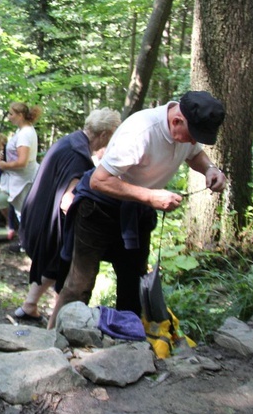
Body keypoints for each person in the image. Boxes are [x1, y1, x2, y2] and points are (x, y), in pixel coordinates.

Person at [48, 91, 227, 329]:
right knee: (80, 282)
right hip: (98, 209)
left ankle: (128, 342)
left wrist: (209, 169)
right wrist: (151, 196)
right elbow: (99, 181)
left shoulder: (187, 132)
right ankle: (56, 341)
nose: (194, 141)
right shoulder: (141, 131)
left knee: (133, 281)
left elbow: (195, 154)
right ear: (176, 121)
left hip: (136, 211)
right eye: (193, 136)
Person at [14, 108, 121, 321]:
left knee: (51, 265)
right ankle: (57, 324)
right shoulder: (79, 155)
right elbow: (67, 201)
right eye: (110, 137)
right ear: (104, 134)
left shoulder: (71, 140)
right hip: (50, 222)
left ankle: (29, 305)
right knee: (65, 267)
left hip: (36, 213)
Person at [0, 102, 42, 239]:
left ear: (20, 115)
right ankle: (26, 241)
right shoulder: (23, 131)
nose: (9, 117)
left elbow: (22, 162)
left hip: (23, 178)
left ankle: (29, 244)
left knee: (24, 213)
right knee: (19, 210)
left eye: (11, 114)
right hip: (19, 177)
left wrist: (5, 165)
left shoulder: (25, 134)